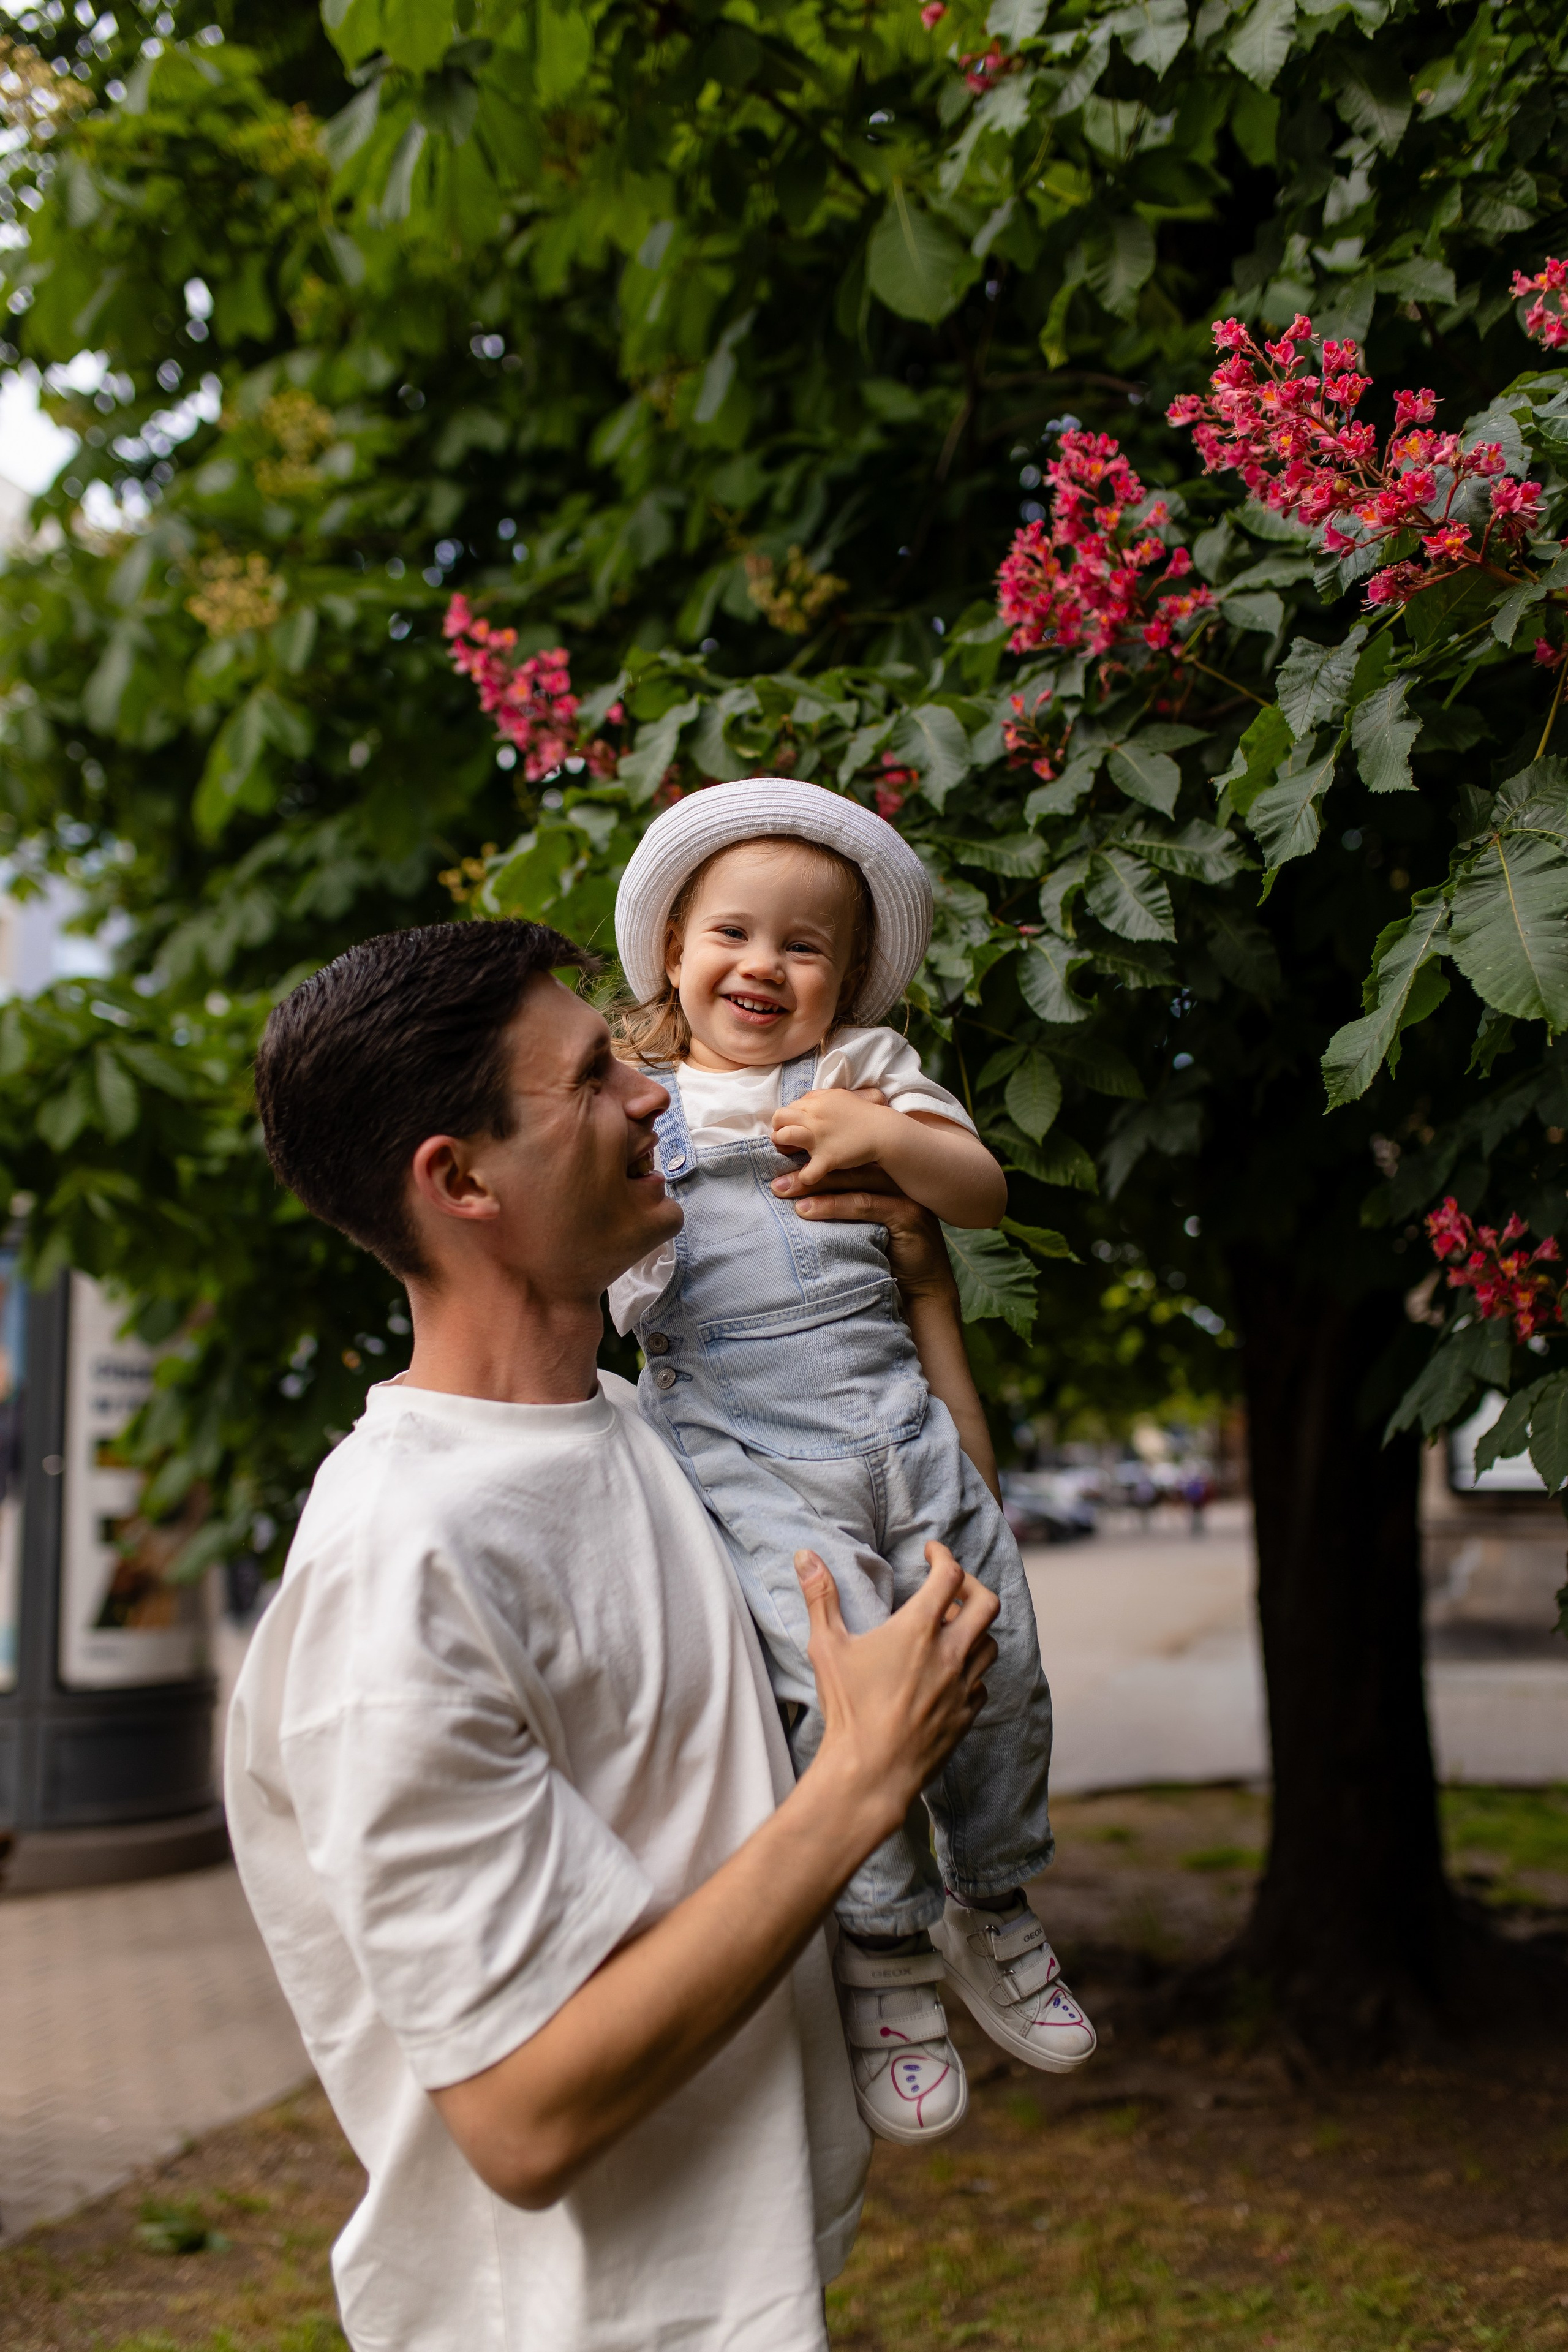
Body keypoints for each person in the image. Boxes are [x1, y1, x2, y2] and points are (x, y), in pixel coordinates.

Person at [226, 917, 1001, 2352]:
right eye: (592, 1078)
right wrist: (860, 1783)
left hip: (749, 2297)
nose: (657, 1091)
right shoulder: (403, 1569)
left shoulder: (656, 1433)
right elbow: (522, 2118)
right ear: (458, 1180)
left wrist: (922, 1286)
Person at [608, 778, 1095, 2147]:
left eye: (803, 947)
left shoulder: (863, 1073)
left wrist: (886, 1142)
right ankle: (883, 1956)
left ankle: (993, 1905)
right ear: (672, 951)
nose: (763, 964)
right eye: (733, 934)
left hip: (896, 1425)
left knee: (994, 1669)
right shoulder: (633, 1098)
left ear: (847, 980)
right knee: (838, 1685)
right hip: (740, 1444)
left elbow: (975, 1189)